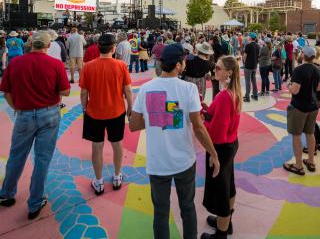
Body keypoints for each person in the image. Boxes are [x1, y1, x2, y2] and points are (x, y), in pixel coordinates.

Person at [129, 43, 220, 239]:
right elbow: (198, 127)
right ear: (178, 65)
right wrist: (213, 153)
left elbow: (134, 125)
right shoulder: (188, 89)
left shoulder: (146, 89)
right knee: (187, 207)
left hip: (157, 163)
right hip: (184, 161)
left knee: (160, 213)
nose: (186, 63)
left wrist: (158, 116)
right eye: (184, 61)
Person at [0, 31, 70, 218]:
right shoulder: (55, 64)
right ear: (48, 46)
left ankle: (6, 194)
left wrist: (17, 107)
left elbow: (5, 91)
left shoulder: (15, 63)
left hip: (24, 115)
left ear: (30, 43)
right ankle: (35, 202)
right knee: (42, 159)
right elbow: (65, 91)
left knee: (16, 155)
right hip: (49, 114)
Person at [80, 34, 133, 194]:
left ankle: (98, 181)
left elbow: (84, 93)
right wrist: (130, 107)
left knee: (97, 147)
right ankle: (117, 176)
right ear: (113, 47)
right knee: (117, 145)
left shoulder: (88, 66)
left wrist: (84, 109)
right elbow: (128, 90)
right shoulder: (121, 65)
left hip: (94, 112)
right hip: (116, 111)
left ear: (98, 47)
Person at [201, 56, 242, 239]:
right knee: (229, 184)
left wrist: (212, 153)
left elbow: (218, 130)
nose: (214, 70)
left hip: (220, 147)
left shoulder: (225, 96)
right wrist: (206, 111)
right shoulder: (231, 92)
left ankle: (221, 233)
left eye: (217, 68)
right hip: (230, 144)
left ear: (229, 73)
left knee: (220, 191)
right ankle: (226, 222)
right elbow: (220, 118)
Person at [283, 46, 320, 175]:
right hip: (313, 107)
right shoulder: (318, 69)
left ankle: (298, 165)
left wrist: (288, 84)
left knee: (297, 136)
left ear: (303, 55)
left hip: (299, 107)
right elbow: (318, 88)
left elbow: (295, 90)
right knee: (310, 133)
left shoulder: (299, 70)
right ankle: (311, 161)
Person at [243, 33, 259, 102]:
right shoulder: (257, 46)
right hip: (254, 65)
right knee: (253, 80)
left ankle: (247, 96)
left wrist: (244, 62)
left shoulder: (248, 45)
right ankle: (255, 95)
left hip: (248, 65)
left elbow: (245, 56)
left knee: (247, 81)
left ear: (250, 38)